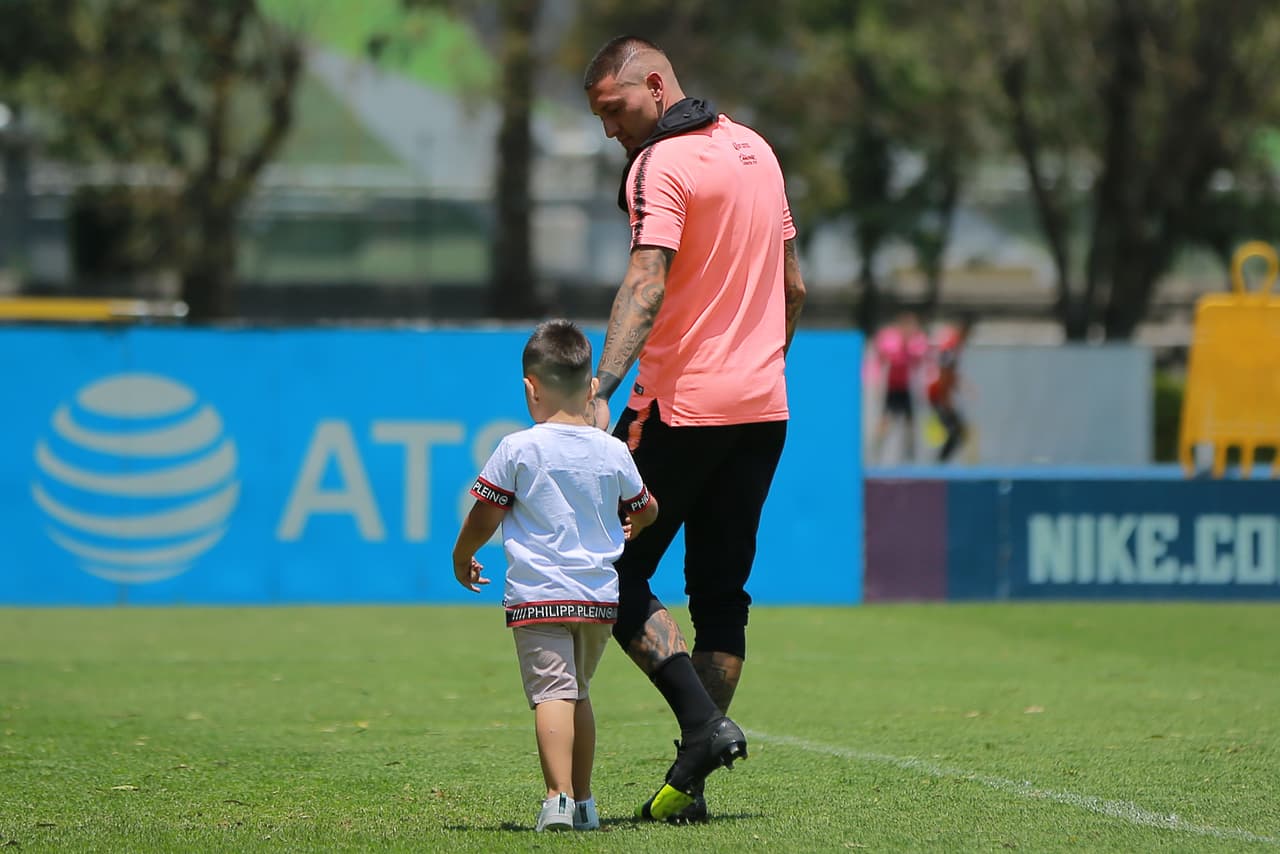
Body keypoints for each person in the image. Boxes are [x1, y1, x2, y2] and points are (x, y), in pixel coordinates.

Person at [582, 36, 807, 823]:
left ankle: (704, 728)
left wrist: (599, 386)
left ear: (654, 83)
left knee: (600, 570)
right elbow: (794, 285)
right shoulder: (757, 150)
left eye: (614, 110)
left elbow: (647, 277)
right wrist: (763, 364)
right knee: (721, 597)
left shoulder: (659, 165)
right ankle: (687, 791)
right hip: (764, 408)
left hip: (681, 406)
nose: (610, 131)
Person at [451, 319, 660, 832]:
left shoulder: (517, 449)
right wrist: (637, 520)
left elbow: (485, 513)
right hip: (597, 599)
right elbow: (647, 506)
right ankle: (585, 801)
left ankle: (557, 798)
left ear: (530, 388)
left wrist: (463, 553)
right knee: (579, 692)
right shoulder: (611, 450)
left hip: (539, 596)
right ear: (592, 388)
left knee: (552, 695)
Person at [870, 310, 929, 464]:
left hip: (905, 388)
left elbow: (919, 359)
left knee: (910, 422)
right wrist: (875, 380)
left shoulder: (916, 343)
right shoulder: (891, 341)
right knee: (886, 421)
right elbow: (882, 357)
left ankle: (910, 455)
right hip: (892, 388)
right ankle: (876, 450)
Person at [926, 313, 975, 462]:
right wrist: (945, 399)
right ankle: (939, 467)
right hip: (937, 393)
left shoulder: (950, 344)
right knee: (956, 431)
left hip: (938, 392)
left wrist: (962, 385)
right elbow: (944, 373)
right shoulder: (951, 345)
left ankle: (940, 465)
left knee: (957, 431)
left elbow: (948, 372)